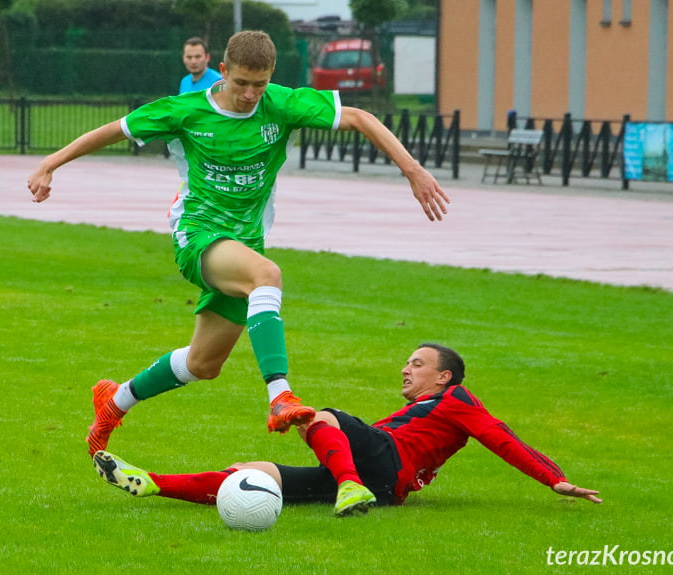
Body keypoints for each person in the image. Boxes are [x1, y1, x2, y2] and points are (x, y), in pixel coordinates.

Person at [26, 31, 450, 459]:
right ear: (223, 71)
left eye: (260, 84)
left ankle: (114, 402)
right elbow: (114, 131)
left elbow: (360, 118)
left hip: (244, 243)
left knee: (202, 365)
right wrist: (50, 163)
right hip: (198, 234)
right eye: (242, 82)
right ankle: (281, 395)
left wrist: (413, 171)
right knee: (267, 275)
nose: (250, 94)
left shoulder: (281, 104)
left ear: (270, 77)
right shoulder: (186, 110)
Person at [92, 343, 602, 516]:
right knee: (254, 475)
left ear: (444, 376)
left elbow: (502, 439)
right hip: (386, 486)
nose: (407, 369)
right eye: (407, 362)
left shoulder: (459, 400)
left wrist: (552, 477)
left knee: (318, 416)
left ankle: (349, 482)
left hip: (383, 466)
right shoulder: (422, 413)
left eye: (418, 364)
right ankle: (153, 482)